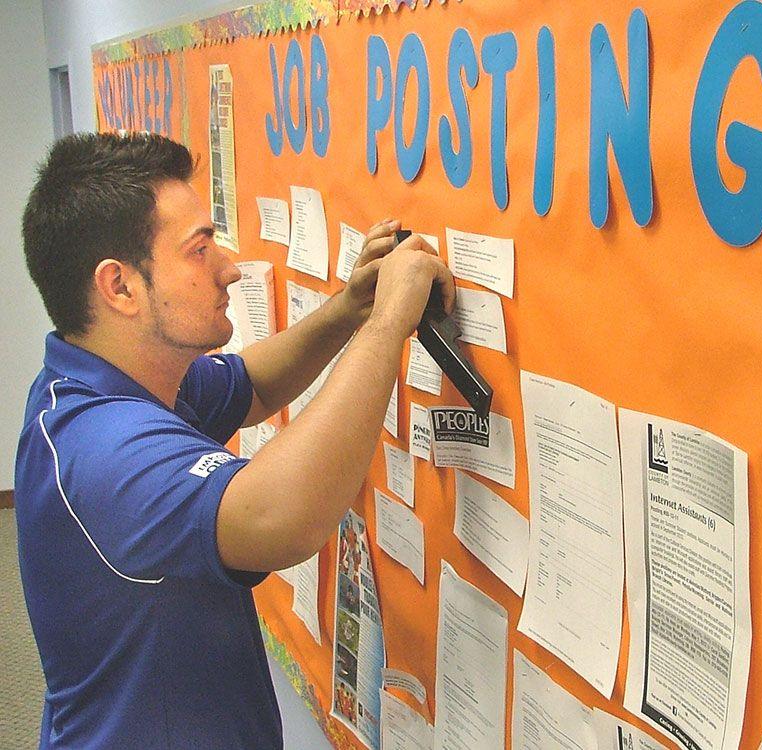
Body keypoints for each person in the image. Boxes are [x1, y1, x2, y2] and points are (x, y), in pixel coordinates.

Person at [15, 131, 454, 749]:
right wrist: (387, 324)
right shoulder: (99, 447)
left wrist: (351, 308)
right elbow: (282, 518)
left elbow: (252, 386)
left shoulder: (127, 375)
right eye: (199, 250)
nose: (230, 268)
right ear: (120, 287)